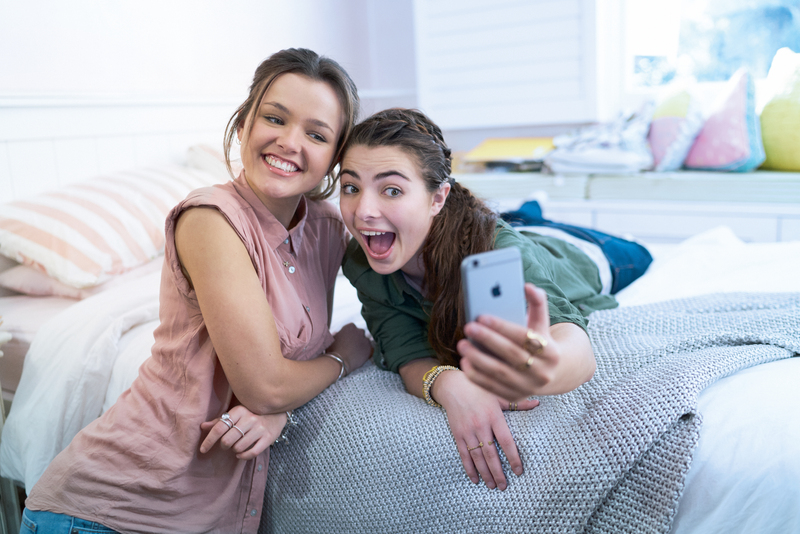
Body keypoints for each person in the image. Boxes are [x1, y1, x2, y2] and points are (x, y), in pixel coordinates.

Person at [20, 48, 371, 534]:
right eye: (275, 118)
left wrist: (280, 414)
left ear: (335, 155)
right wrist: (342, 358)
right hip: (108, 513)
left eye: (316, 134)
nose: (291, 142)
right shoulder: (209, 219)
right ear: (244, 124)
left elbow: (403, 283)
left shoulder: (328, 230)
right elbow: (264, 386)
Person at [338, 108, 639, 492]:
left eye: (391, 190)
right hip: (507, 228)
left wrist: (542, 368)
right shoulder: (361, 260)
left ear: (437, 198)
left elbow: (576, 347)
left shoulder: (498, 252)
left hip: (588, 252)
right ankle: (530, 212)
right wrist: (451, 386)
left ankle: (534, 215)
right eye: (351, 187)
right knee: (523, 218)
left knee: (614, 247)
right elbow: (403, 350)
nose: (363, 210)